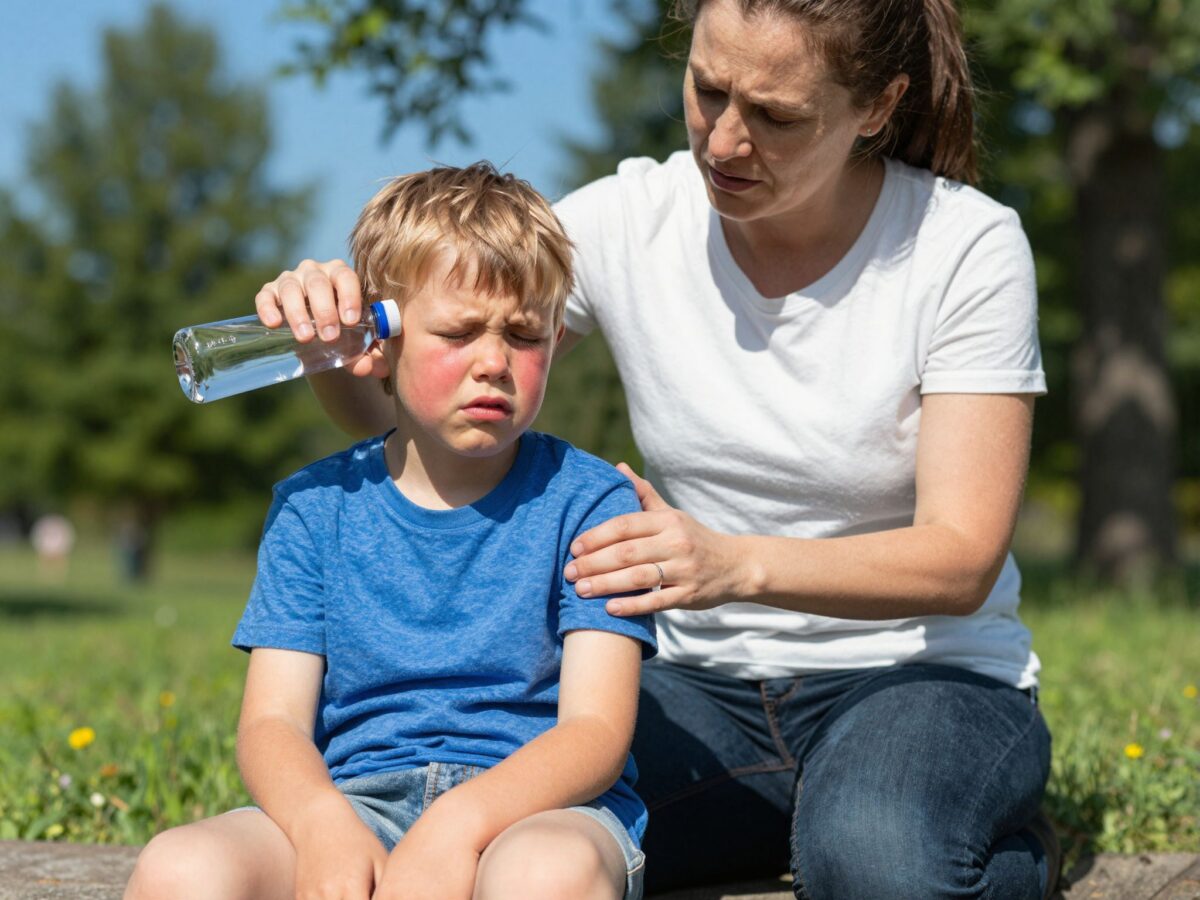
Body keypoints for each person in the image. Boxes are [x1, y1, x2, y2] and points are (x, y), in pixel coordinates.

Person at [254, 0, 1060, 897]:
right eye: (708, 88)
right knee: (510, 830)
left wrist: (731, 566)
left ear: (877, 107)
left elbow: (961, 559)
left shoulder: (964, 248)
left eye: (777, 116)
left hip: (920, 679)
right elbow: (429, 417)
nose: (723, 142)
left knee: (876, 860)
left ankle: (967, 840)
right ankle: (795, 824)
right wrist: (332, 341)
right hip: (699, 690)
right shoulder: (624, 221)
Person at [126, 162, 657, 900]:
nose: (495, 362)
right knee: (177, 869)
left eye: (526, 334)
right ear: (376, 344)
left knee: (545, 874)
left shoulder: (592, 502)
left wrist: (456, 825)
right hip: (352, 804)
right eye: (460, 331)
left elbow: (596, 732)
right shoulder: (315, 509)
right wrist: (318, 823)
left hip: (535, 813)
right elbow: (273, 722)